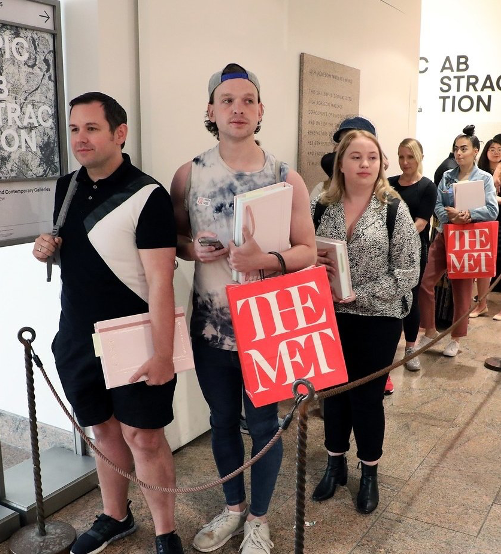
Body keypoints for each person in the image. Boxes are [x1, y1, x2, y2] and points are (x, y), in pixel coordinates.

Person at [170, 63, 316, 554]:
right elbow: (174, 240)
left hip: (266, 327)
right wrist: (195, 249)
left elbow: (307, 251)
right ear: (210, 110)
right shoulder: (189, 173)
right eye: (227, 100)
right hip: (212, 328)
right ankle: (233, 507)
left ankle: (259, 519)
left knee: (264, 426)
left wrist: (266, 260)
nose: (238, 108)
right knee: (220, 421)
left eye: (247, 100)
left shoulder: (284, 176)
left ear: (260, 110)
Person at [33, 92, 184, 554]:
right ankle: (116, 517)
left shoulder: (148, 195)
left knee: (144, 436)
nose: (81, 138)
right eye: (75, 128)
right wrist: (47, 250)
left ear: (119, 133)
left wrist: (163, 354)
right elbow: (87, 258)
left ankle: (165, 530)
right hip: (78, 334)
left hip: (133, 336)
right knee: (102, 431)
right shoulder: (67, 187)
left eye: (92, 128)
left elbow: (160, 282)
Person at [311, 130, 419, 514]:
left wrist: (363, 294)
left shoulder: (393, 208)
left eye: (372, 157)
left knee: (367, 398)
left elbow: (408, 271)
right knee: (333, 395)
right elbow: (305, 253)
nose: (364, 164)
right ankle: (334, 463)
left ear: (381, 164)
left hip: (378, 316)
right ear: (341, 162)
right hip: (329, 315)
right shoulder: (322, 205)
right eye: (355, 157)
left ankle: (368, 470)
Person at [418, 125, 499, 356]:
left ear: (475, 151)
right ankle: (430, 330)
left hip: (469, 240)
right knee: (425, 282)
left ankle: (456, 338)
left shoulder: (484, 178)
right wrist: (450, 218)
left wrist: (469, 215)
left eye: (464, 148)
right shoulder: (447, 176)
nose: (459, 153)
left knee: (462, 291)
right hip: (446, 236)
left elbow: (492, 210)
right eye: (456, 149)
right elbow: (437, 203)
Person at [387, 139, 436, 371]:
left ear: (420, 158)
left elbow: (421, 223)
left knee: (411, 297)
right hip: (387, 251)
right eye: (401, 157)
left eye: (410, 157)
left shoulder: (427, 187)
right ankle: (388, 346)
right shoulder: (388, 184)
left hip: (414, 251)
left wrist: (396, 237)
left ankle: (410, 347)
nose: (405, 162)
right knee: (390, 298)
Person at [469, 134, 501, 319]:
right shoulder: (479, 172)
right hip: (484, 222)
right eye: (492, 149)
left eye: (499, 149)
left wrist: (495, 199)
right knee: (483, 263)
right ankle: (481, 304)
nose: (496, 152)